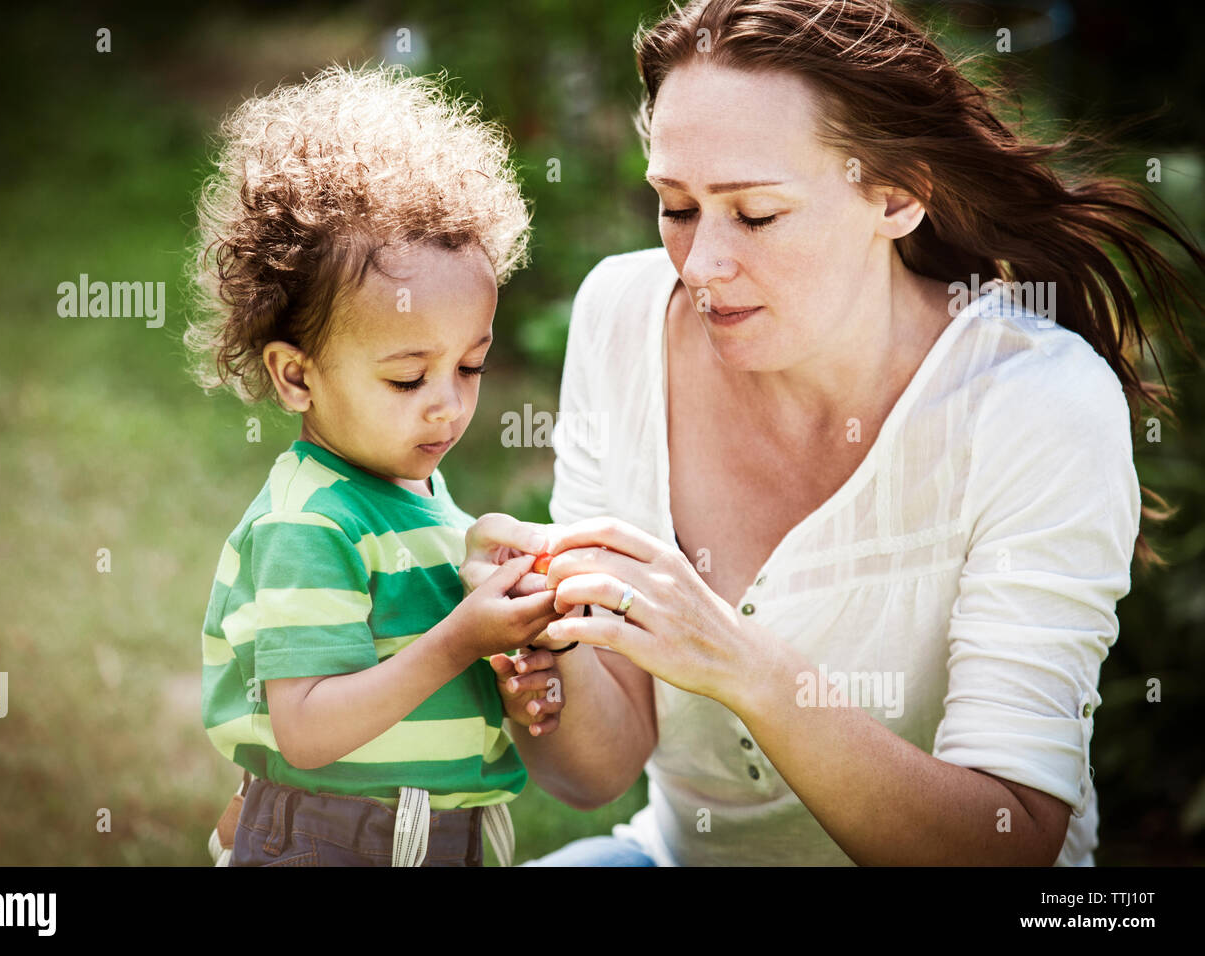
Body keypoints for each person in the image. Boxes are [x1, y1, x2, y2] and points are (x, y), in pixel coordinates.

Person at [460, 0, 1203, 865]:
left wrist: (742, 666)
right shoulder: (620, 316)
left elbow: (1009, 839)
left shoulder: (1036, 402)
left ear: (897, 193)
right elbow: (596, 771)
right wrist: (540, 652)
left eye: (757, 214)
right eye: (675, 206)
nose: (700, 266)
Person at [185, 65, 566, 867]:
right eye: (407, 376)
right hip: (335, 841)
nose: (446, 406)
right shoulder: (310, 520)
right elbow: (311, 729)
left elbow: (408, 667)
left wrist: (505, 676)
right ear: (296, 375)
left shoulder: (415, 487)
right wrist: (462, 639)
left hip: (442, 835)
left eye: (471, 366)